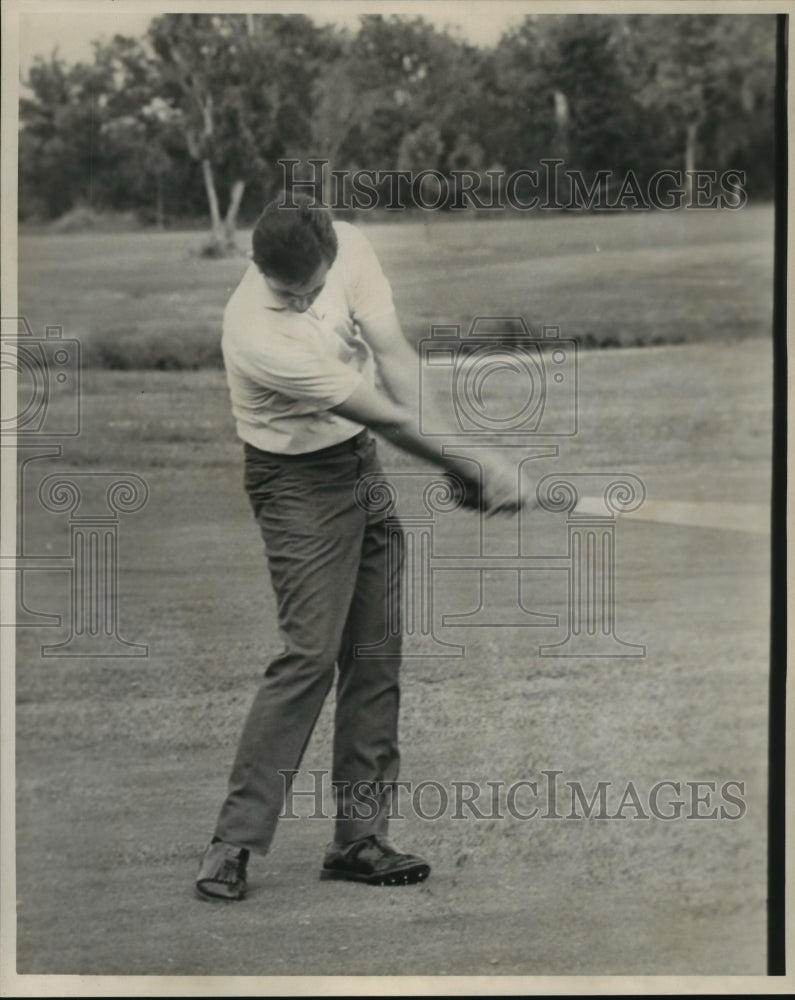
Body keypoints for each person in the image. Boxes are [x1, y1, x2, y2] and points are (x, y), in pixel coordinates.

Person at [195, 194, 522, 901]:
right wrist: (470, 463)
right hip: (292, 482)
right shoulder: (257, 332)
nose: (308, 298)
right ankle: (234, 842)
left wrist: (460, 452)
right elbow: (377, 410)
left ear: (331, 252)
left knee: (374, 651)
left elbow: (394, 360)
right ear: (260, 268)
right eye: (292, 291)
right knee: (309, 654)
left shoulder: (350, 247)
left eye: (315, 283)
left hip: (357, 468)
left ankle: (358, 840)